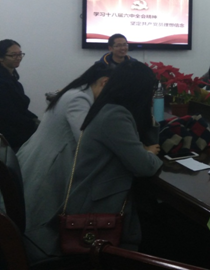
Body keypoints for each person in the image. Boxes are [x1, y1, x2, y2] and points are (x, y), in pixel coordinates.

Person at [23, 61, 162, 263]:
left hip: (92, 197)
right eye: (150, 90)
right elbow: (145, 167)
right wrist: (151, 154)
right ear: (137, 90)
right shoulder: (115, 115)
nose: (151, 96)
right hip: (98, 209)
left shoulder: (105, 107)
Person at [18, 63, 112, 257]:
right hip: (51, 163)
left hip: (39, 155)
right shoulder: (79, 98)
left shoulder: (73, 92)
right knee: (41, 217)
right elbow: (85, 140)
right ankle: (42, 258)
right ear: (104, 82)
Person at [0, 39, 39, 151]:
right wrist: (33, 124)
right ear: (1, 57)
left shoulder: (11, 78)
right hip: (11, 135)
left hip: (17, 129)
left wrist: (35, 119)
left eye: (20, 54)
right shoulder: (2, 82)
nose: (18, 58)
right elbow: (10, 114)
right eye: (13, 55)